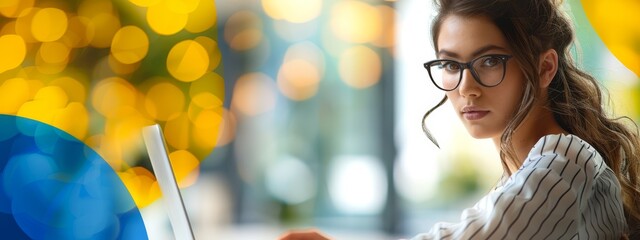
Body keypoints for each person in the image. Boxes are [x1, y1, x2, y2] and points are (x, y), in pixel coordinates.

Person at [279, 0, 640, 239]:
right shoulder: (522, 179)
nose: (467, 87)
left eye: (489, 61)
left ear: (545, 68)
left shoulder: (566, 161)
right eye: (451, 64)